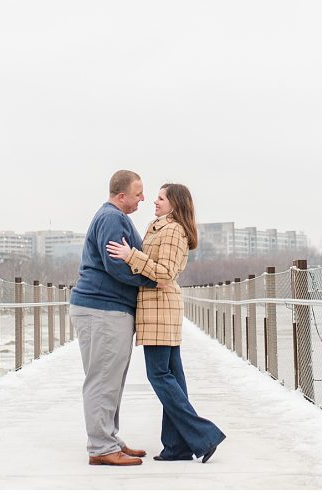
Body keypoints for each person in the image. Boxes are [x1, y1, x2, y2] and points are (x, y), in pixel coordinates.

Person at [106, 183, 226, 464]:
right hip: (160, 308)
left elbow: (165, 273)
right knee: (174, 378)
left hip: (160, 308)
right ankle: (177, 446)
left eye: (160, 198)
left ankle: (204, 435)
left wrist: (130, 256)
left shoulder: (172, 230)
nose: (154, 202)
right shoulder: (160, 226)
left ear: (174, 203)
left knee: (159, 375)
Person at [69, 169, 158, 466]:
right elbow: (116, 265)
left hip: (108, 309)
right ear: (122, 196)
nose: (143, 198)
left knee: (112, 378)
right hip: (102, 308)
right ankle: (101, 447)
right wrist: (152, 280)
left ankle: (108, 437)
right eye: (138, 193)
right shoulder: (111, 218)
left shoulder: (116, 218)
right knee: (103, 378)